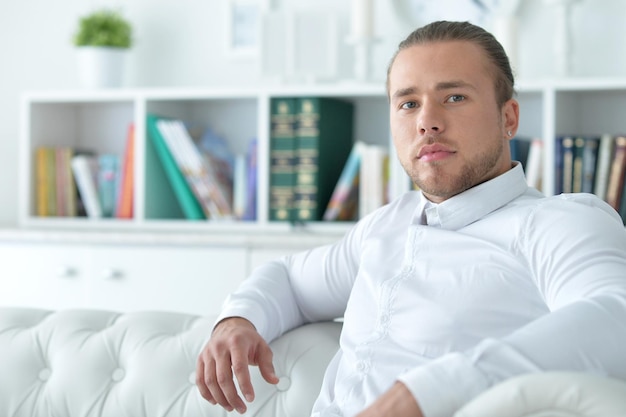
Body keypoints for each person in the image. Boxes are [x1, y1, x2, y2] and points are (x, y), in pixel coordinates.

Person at [196, 20, 626, 417]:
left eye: (454, 97)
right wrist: (238, 320)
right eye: (408, 103)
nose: (427, 122)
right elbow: (290, 281)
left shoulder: (560, 222)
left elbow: (614, 318)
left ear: (508, 117)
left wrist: (429, 392)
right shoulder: (383, 225)